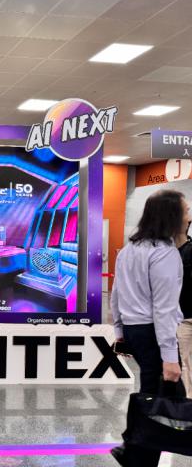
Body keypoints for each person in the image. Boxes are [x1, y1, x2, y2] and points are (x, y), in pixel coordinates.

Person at [110, 190, 188, 466]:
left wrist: (120, 334)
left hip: (135, 331)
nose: (189, 217)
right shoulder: (164, 253)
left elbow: (116, 294)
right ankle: (136, 453)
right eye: (186, 211)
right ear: (172, 216)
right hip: (154, 332)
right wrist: (170, 357)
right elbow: (164, 309)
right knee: (160, 398)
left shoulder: (130, 249)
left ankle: (131, 447)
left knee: (153, 393)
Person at [176, 220, 192, 398]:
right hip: (181, 319)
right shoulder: (167, 253)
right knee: (183, 364)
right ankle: (187, 403)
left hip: (184, 316)